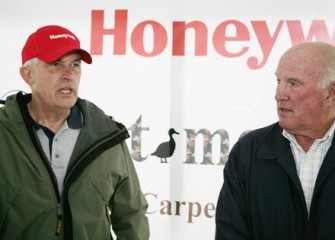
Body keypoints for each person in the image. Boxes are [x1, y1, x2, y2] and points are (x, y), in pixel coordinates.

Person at [0, 25, 150, 240]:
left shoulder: (106, 136)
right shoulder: (4, 134)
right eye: (55, 64)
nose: (69, 75)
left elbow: (131, 214)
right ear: (28, 74)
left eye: (75, 65)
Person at [215, 41, 335, 239]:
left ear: (330, 93)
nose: (279, 95)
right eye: (279, 81)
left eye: (293, 84)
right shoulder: (249, 151)